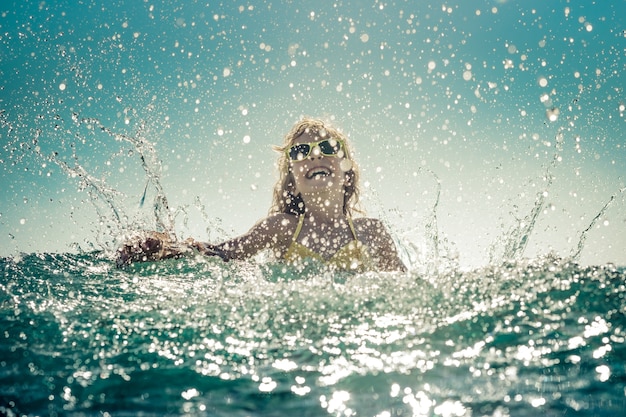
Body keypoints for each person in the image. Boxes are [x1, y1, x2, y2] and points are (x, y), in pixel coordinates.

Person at [116, 117, 406, 272]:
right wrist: (163, 248)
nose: (315, 155)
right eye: (301, 151)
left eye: (328, 147)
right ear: (293, 179)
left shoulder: (372, 233)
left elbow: (406, 290)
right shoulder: (281, 228)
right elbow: (221, 254)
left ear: (347, 171)